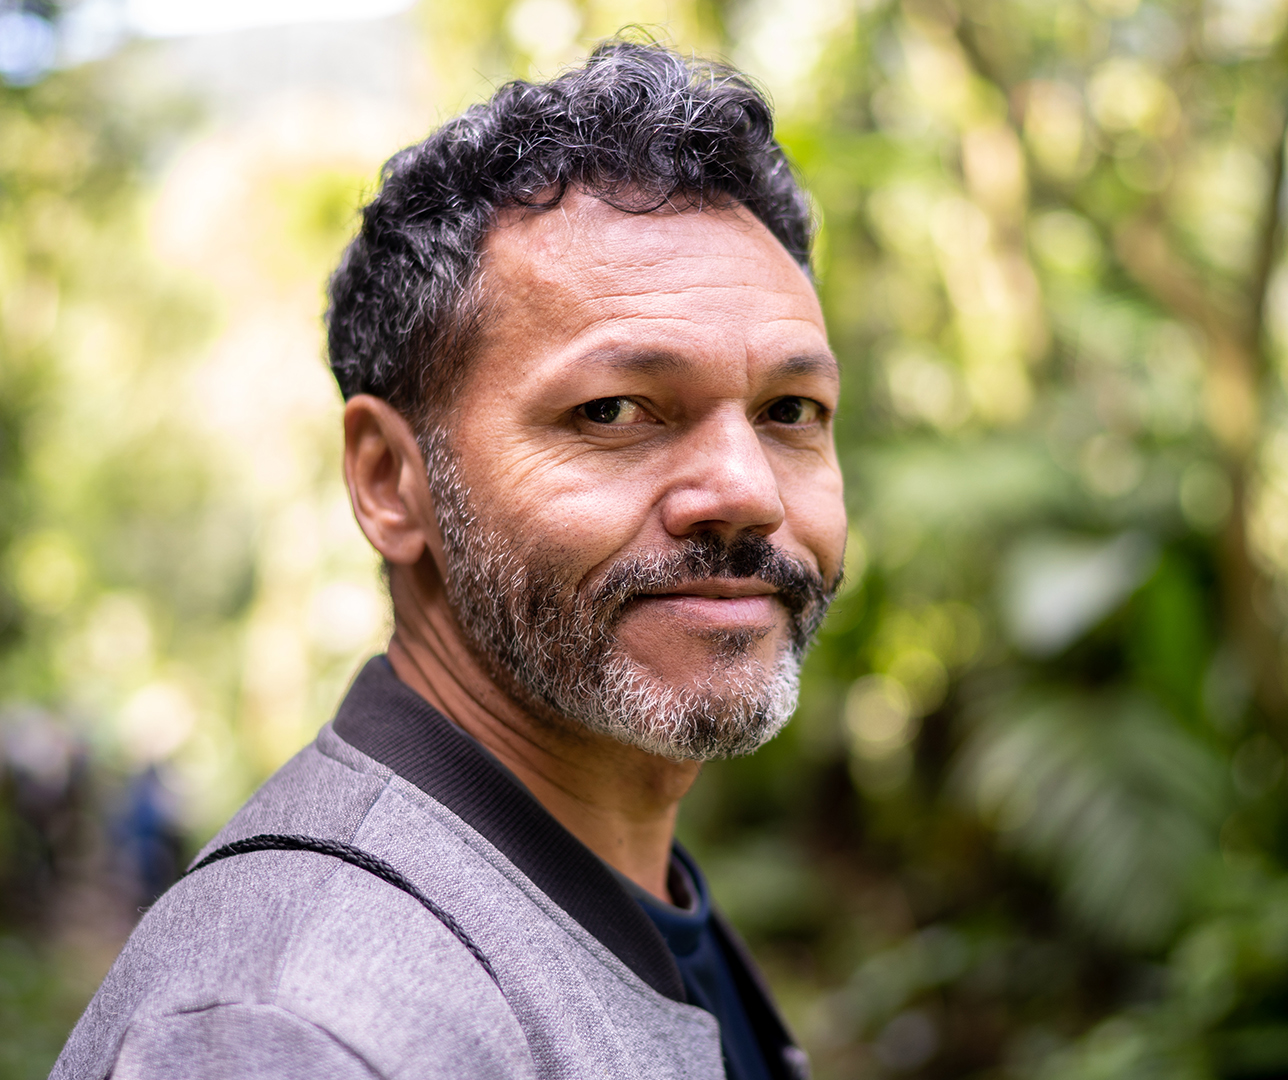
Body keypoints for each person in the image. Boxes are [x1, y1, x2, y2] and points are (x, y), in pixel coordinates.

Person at [50, 39, 844, 1080]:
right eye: (612, 411)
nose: (746, 492)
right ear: (391, 480)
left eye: (791, 412)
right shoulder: (298, 1026)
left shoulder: (625, 887)